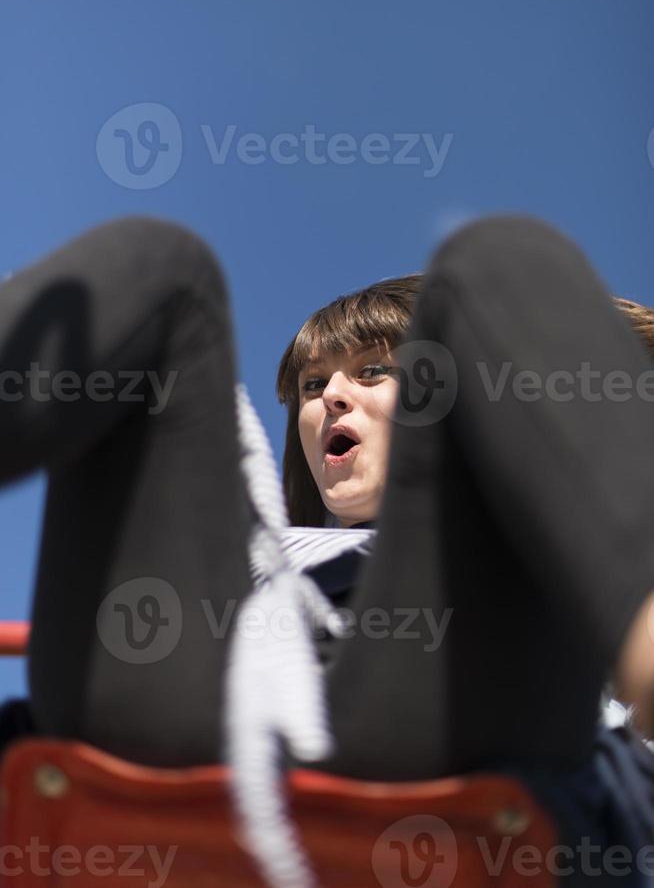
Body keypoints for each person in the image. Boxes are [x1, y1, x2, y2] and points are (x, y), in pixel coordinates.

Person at [0, 213, 652, 884]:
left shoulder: (543, 547)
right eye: (313, 387)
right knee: (162, 263)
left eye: (373, 372)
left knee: (501, 255)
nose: (332, 398)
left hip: (449, 746)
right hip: (175, 743)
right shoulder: (229, 540)